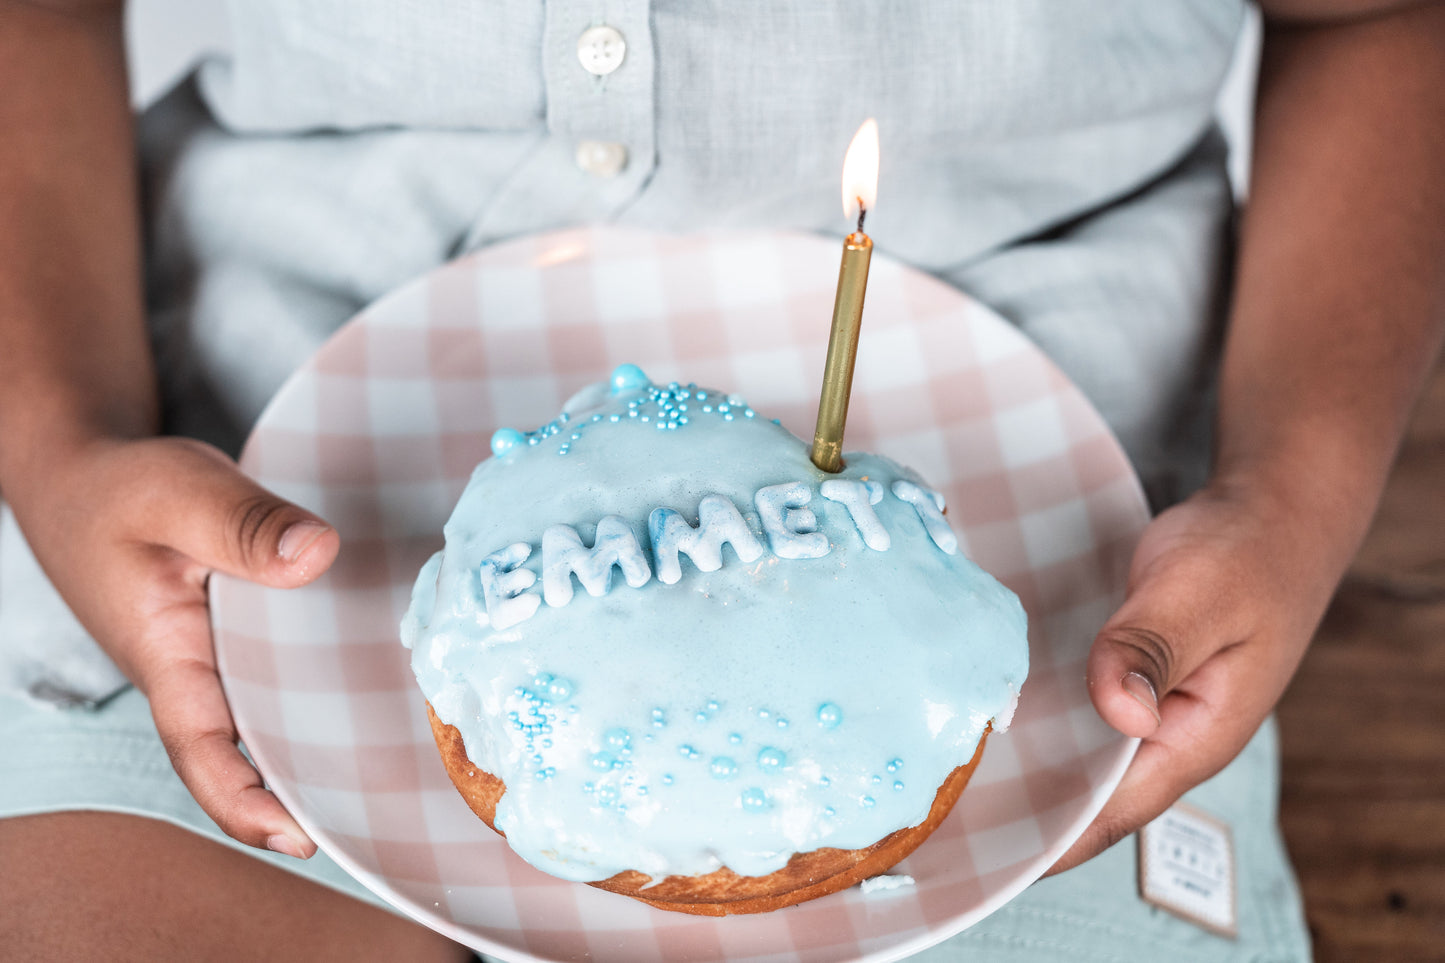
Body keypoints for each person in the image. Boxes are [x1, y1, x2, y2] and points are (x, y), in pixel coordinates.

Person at [1, 0, 1442, 959]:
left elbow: (1379, 18)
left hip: (1077, 560)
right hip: (221, 504)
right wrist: (56, 435)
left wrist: (1291, 496)